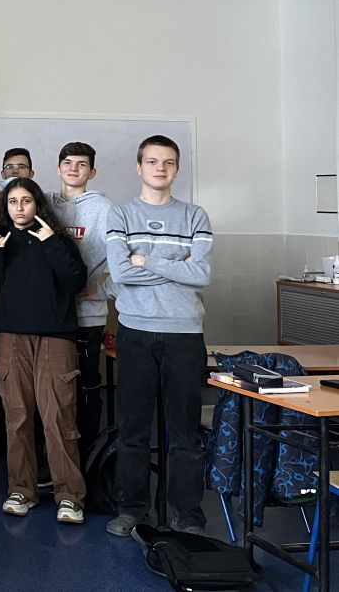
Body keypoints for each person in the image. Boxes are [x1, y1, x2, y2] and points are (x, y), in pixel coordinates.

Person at [105, 135, 213, 538]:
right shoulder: (120, 213)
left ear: (177, 169)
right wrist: (176, 265)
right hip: (135, 332)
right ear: (139, 167)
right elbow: (120, 273)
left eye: (168, 162)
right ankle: (133, 510)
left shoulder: (195, 215)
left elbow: (202, 275)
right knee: (133, 429)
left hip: (184, 335)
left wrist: (145, 259)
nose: (160, 168)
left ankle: (188, 515)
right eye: (152, 161)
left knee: (185, 432)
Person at [0, 177, 88, 524]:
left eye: (26, 201)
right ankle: (21, 490)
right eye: (13, 201)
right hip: (10, 336)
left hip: (55, 337)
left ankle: (70, 496)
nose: (19, 208)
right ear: (6, 206)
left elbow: (76, 281)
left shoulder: (56, 238)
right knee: (17, 417)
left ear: (38, 205)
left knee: (58, 416)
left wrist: (51, 243)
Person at [46, 142, 112, 458]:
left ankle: (87, 456)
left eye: (81, 164)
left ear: (92, 172)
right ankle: (55, 456)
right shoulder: (45, 203)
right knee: (52, 387)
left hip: (87, 316)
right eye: (68, 163)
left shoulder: (105, 209)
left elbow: (126, 256)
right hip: (52, 315)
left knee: (87, 384)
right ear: (58, 168)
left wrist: (104, 289)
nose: (73, 169)